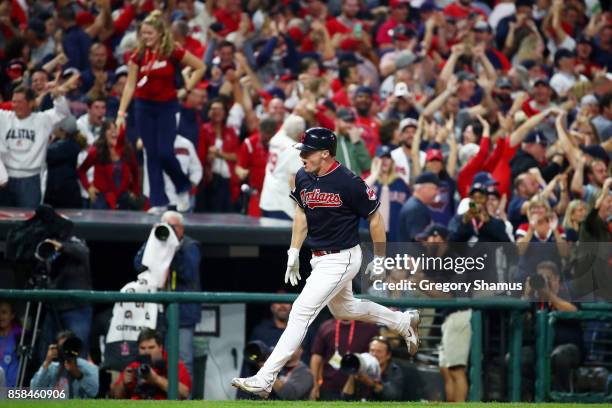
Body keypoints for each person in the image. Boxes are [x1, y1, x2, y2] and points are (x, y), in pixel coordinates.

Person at [231, 127, 420, 398]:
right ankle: (402, 321)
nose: (302, 156)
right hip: (319, 259)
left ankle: (265, 379)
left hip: (343, 256)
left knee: (300, 312)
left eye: (308, 152)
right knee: (345, 310)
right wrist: (293, 251)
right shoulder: (303, 175)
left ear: (325, 154)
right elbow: (301, 213)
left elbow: (376, 218)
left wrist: (380, 258)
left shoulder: (349, 181)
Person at [116, 10, 205, 214]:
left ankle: (182, 187)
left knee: (165, 152)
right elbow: (130, 86)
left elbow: (200, 67)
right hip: (143, 107)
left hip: (167, 107)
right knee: (151, 154)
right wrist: (121, 113)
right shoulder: (137, 55)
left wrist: (187, 89)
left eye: (149, 33)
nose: (145, 37)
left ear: (160, 33)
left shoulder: (173, 50)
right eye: (143, 33)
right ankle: (158, 201)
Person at [134, 211, 201, 379]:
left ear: (182, 228)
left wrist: (174, 249)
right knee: (155, 358)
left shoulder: (190, 246)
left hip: (182, 313)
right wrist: (152, 241)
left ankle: (184, 402)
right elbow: (138, 265)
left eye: (174, 227)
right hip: (157, 313)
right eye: (167, 227)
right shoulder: (156, 244)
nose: (170, 231)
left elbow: (188, 273)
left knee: (183, 360)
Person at [0, 85, 69, 208]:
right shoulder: (4, 117)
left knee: (29, 220)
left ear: (31, 103)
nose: (15, 105)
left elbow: (63, 113)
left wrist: (58, 97)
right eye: (14, 101)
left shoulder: (43, 120)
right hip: (6, 178)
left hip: (30, 179)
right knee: (5, 221)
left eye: (20, 102)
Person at [310, 318, 380, 400]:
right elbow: (317, 357)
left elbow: (377, 355)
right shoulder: (326, 326)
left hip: (358, 387)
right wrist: (314, 385)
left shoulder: (368, 328)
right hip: (328, 387)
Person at [110, 328, 191, 400]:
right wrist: (123, 384)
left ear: (160, 347)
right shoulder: (134, 365)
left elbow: (184, 393)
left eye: (151, 347)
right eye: (143, 348)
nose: (147, 351)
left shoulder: (173, 364)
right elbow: (115, 396)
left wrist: (156, 379)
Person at [78, 121, 140, 210]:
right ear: (104, 134)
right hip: (101, 200)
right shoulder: (96, 151)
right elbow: (81, 170)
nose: (114, 132)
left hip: (123, 200)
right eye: (110, 130)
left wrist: (135, 191)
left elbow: (135, 171)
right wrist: (89, 188)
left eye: (116, 129)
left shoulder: (127, 151)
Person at [259, 115, 306, 220]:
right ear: (300, 134)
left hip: (267, 200)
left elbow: (286, 126)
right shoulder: (296, 150)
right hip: (283, 205)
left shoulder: (276, 139)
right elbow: (293, 180)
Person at [31, 331, 99, 398]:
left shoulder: (88, 368)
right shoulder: (51, 368)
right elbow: (34, 391)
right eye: (61, 347)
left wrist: (79, 375)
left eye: (67, 346)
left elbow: (95, 392)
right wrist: (46, 362)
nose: (65, 351)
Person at [341, 336, 405, 401]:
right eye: (372, 350)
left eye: (379, 351)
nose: (374, 354)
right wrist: (352, 374)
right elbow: (345, 397)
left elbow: (393, 396)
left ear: (388, 355)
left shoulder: (394, 370)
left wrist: (372, 384)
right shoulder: (363, 366)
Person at [398, 171, 441, 241]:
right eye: (435, 189)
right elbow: (419, 241)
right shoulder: (416, 209)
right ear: (423, 189)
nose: (437, 193)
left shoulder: (415, 205)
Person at [0, 300, 20, 387]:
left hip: (11, 389)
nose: (0, 316)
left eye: (4, 312)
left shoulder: (20, 336)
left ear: (12, 315)